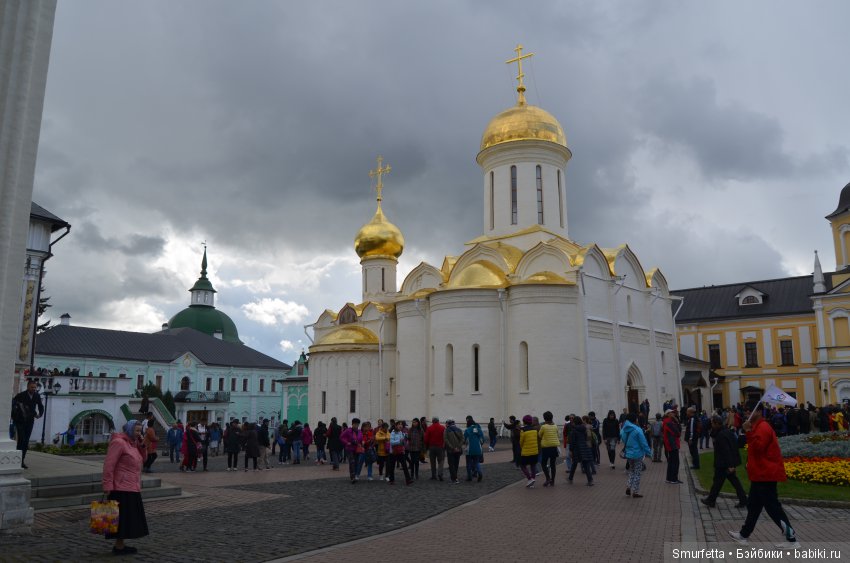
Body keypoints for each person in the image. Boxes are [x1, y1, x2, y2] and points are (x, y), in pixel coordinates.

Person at [729, 408, 799, 546]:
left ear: (759, 412)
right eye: (747, 411)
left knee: (773, 508)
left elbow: (758, 448)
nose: (747, 414)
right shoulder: (758, 426)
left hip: (766, 474)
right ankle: (743, 535)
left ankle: (792, 539)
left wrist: (748, 431)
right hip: (760, 474)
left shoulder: (763, 427)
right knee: (753, 506)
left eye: (750, 411)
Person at [102, 420, 149, 555]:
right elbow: (109, 465)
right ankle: (119, 546)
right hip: (120, 487)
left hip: (132, 485)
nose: (139, 433)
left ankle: (120, 545)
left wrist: (142, 445)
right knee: (120, 519)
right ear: (129, 430)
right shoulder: (118, 442)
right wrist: (107, 484)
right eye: (137, 430)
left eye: (140, 430)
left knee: (126, 519)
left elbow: (143, 459)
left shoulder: (133, 444)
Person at [702, 415, 747, 509]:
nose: (711, 425)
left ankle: (711, 500)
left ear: (717, 424)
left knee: (718, 482)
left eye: (713, 423)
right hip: (726, 463)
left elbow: (726, 451)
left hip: (723, 464)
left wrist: (731, 465)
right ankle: (743, 500)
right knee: (731, 481)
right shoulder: (726, 431)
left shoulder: (721, 435)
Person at [11, 380, 44, 469]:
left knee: (26, 441)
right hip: (20, 421)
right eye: (32, 387)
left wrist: (40, 414)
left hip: (30, 421)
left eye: (35, 387)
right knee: (21, 439)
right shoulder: (21, 395)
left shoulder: (37, 396)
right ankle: (17, 460)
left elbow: (41, 406)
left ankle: (21, 460)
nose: (33, 389)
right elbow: (13, 405)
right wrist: (14, 417)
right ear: (28, 387)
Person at [621, 413, 651, 498]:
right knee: (637, 473)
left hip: (629, 454)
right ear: (635, 419)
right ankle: (635, 491)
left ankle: (628, 486)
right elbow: (643, 442)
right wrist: (649, 452)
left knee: (631, 471)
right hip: (638, 454)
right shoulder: (638, 429)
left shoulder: (624, 429)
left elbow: (623, 439)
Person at [568, 415, 594, 486]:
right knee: (586, 464)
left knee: (574, 463)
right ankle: (590, 480)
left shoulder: (574, 430)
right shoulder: (584, 428)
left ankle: (570, 478)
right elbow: (587, 438)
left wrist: (570, 450)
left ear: (575, 422)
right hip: (585, 447)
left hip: (577, 449)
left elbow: (572, 441)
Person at [538, 411, 560, 487]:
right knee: (553, 464)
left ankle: (548, 478)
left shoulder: (543, 427)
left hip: (546, 447)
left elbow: (539, 435)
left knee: (543, 463)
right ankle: (552, 480)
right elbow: (557, 434)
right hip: (554, 447)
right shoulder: (555, 426)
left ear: (544, 418)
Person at [388, 420, 413, 485]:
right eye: (399, 424)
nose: (400, 425)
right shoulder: (392, 433)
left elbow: (403, 443)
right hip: (393, 452)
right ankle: (391, 480)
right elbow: (391, 442)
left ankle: (408, 480)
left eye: (401, 424)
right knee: (392, 466)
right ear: (396, 426)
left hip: (400, 451)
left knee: (404, 466)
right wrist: (399, 441)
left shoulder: (401, 433)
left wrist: (405, 441)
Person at [518, 414, 540, 487]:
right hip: (535, 451)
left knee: (522, 465)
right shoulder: (534, 430)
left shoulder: (523, 430)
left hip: (526, 452)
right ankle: (532, 480)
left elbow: (521, 442)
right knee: (533, 465)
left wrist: (522, 447)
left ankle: (530, 478)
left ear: (524, 422)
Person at [340, 418, 363, 484]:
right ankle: (352, 477)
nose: (356, 425)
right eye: (355, 424)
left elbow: (360, 439)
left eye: (358, 424)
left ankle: (355, 475)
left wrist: (361, 443)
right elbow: (341, 437)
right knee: (352, 462)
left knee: (356, 462)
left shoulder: (359, 431)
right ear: (352, 424)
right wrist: (347, 442)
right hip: (349, 449)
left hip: (357, 449)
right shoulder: (348, 430)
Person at [662, 409, 682, 484]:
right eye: (671, 413)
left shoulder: (666, 421)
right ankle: (674, 479)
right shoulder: (669, 422)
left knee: (671, 461)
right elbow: (677, 432)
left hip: (670, 443)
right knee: (675, 462)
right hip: (672, 444)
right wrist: (677, 422)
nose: (673, 414)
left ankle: (669, 478)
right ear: (668, 414)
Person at [463, 417, 485, 482]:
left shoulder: (467, 430)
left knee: (469, 463)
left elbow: (464, 440)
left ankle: (469, 477)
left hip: (469, 449)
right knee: (477, 462)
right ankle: (479, 472)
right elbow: (482, 440)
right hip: (478, 449)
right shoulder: (479, 429)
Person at [424, 416, 446, 481]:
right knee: (441, 461)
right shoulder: (443, 428)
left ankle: (433, 475)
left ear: (432, 421)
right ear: (438, 421)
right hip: (440, 447)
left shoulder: (429, 428)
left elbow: (426, 439)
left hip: (432, 447)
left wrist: (427, 445)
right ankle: (440, 473)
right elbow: (445, 437)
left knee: (432, 462)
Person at [444, 419, 464, 484]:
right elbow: (462, 439)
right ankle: (455, 477)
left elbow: (446, 440)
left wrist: (452, 448)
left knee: (451, 464)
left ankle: (454, 478)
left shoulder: (446, 430)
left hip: (450, 450)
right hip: (458, 450)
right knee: (456, 464)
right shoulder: (459, 430)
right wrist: (458, 447)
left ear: (448, 424)